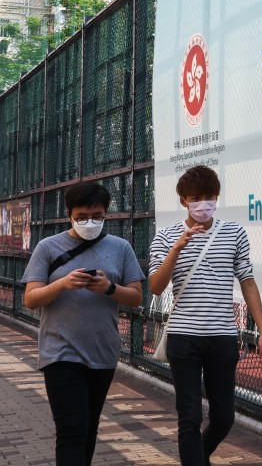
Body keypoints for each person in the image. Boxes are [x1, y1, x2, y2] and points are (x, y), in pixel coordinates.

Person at [149, 164, 262, 466]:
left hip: (222, 336)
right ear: (184, 201)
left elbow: (247, 281)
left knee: (224, 417)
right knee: (189, 416)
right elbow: (155, 286)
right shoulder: (166, 236)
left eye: (210, 197)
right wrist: (178, 248)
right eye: (196, 198)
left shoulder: (234, 232)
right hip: (183, 337)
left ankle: (199, 457)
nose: (203, 204)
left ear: (217, 197)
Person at [21, 181, 145, 466]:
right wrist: (63, 283)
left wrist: (109, 288)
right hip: (60, 353)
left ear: (106, 214)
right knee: (72, 430)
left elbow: (136, 297)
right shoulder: (48, 247)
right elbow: (31, 298)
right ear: (69, 214)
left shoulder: (121, 248)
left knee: (88, 428)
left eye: (97, 216)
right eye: (82, 216)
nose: (90, 222)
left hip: (103, 352)